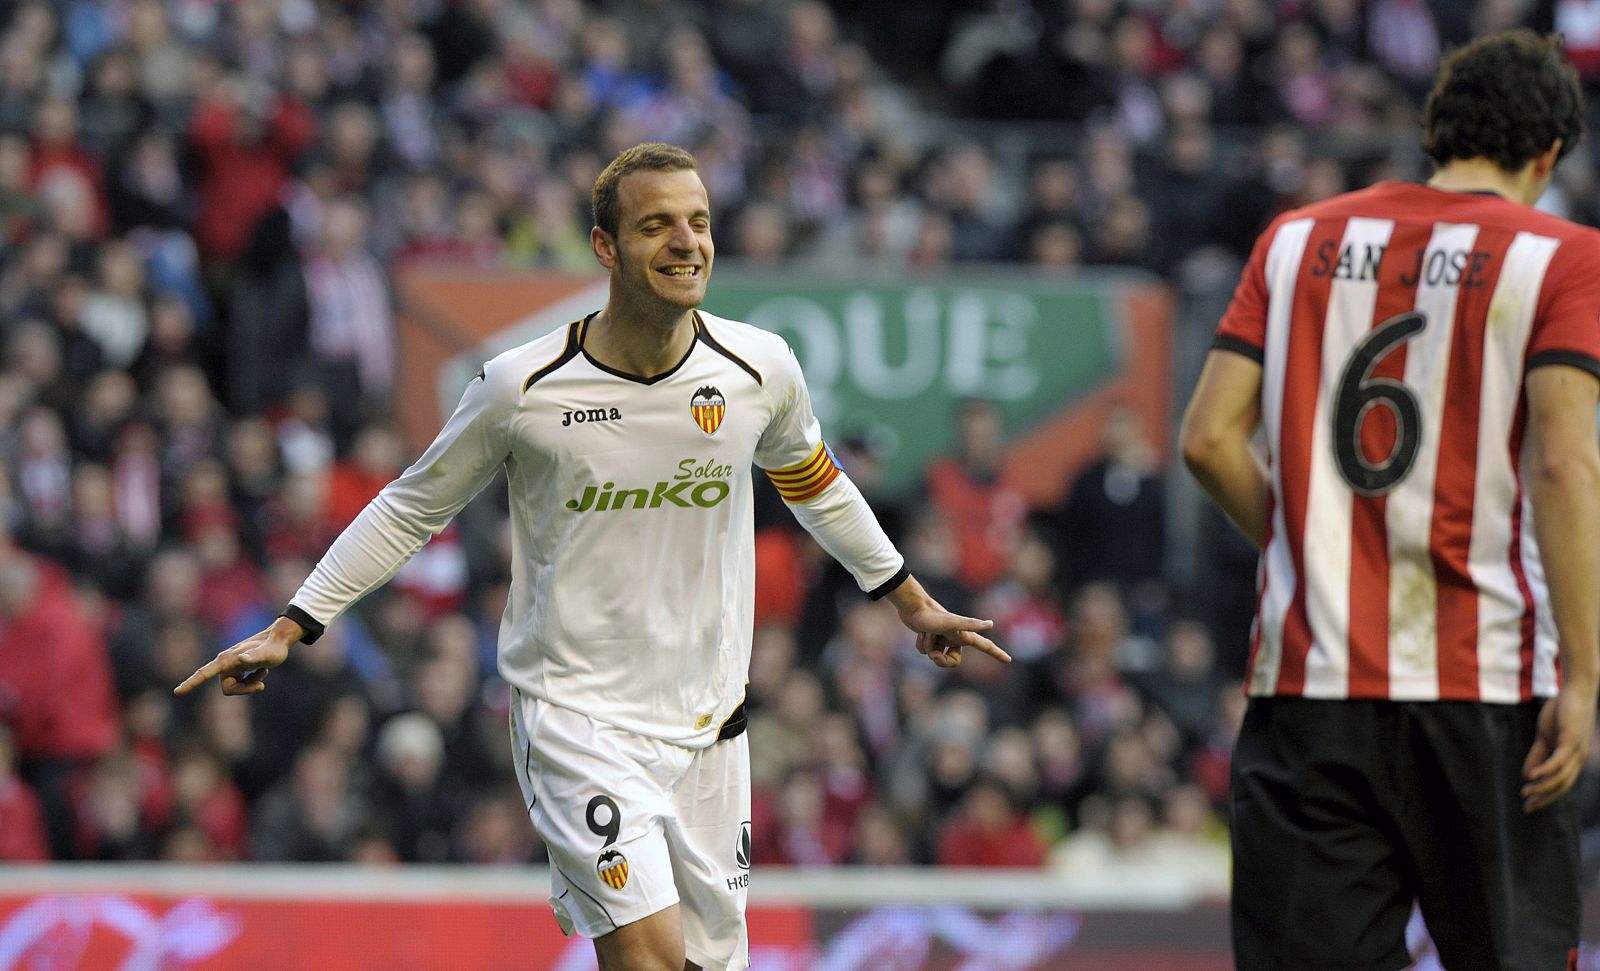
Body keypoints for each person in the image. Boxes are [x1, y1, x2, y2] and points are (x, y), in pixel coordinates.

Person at [176, 142, 1009, 971]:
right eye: (657, 226)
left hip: (712, 729)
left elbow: (816, 484)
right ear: (605, 247)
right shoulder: (521, 388)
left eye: (699, 222)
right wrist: (295, 622)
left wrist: (909, 600)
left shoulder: (760, 369)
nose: (687, 243)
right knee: (646, 954)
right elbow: (408, 508)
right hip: (577, 719)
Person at [1180, 30, 1600, 971]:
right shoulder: (1565, 258)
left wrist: (1310, 544)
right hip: (1487, 687)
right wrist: (1586, 673)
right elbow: (1569, 468)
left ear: (1436, 132)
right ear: (1548, 154)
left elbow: (1207, 438)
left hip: (1311, 688)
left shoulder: (1293, 242)